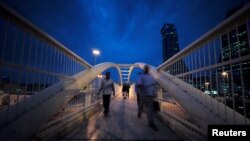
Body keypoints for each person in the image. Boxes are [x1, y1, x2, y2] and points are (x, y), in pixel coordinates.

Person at [137, 65, 159, 131]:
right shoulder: (141, 76)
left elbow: (155, 84)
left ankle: (151, 123)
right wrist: (141, 88)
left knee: (150, 109)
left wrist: (154, 92)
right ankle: (139, 113)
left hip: (150, 95)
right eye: (145, 68)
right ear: (144, 69)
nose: (146, 69)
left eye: (147, 68)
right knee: (141, 105)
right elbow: (139, 84)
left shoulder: (151, 76)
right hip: (143, 94)